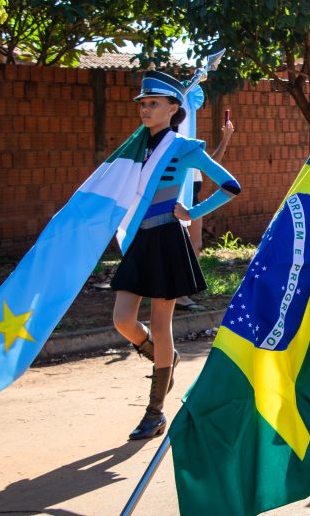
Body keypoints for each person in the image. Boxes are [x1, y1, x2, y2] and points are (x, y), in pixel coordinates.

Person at [110, 71, 242, 441]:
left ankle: (154, 412)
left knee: (162, 321)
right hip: (139, 241)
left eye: (153, 104)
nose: (146, 109)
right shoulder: (136, 146)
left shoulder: (183, 147)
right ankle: (162, 359)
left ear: (173, 109)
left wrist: (193, 212)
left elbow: (231, 185)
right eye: (142, 104)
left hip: (167, 239)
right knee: (122, 319)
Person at [175, 111, 235, 312]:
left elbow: (211, 164)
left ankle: (184, 290)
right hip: (180, 196)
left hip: (193, 195)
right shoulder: (177, 145)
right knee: (182, 247)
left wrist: (225, 138)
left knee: (195, 245)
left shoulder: (190, 147)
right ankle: (179, 295)